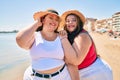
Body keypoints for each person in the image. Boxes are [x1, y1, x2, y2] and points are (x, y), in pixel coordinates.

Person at [16, 9, 79, 80]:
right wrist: (37, 23)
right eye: (51, 18)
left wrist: (64, 38)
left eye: (56, 20)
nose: (54, 21)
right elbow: (19, 40)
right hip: (35, 77)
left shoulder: (61, 36)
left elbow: (72, 61)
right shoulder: (34, 36)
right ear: (43, 20)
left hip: (61, 76)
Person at [59, 10, 113, 80]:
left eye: (74, 20)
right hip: (81, 72)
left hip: (96, 72)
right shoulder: (70, 34)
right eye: (68, 21)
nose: (70, 22)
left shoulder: (83, 36)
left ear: (78, 22)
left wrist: (63, 38)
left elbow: (76, 61)